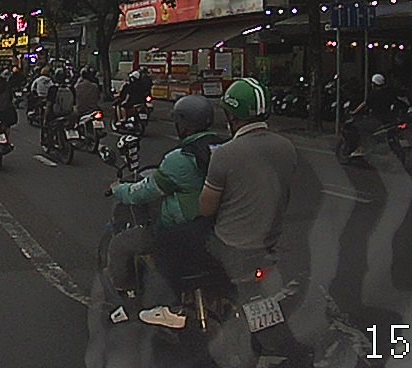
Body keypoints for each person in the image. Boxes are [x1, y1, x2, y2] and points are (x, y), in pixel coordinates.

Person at [109, 96, 226, 323]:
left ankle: (131, 299)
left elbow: (143, 192)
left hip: (183, 231)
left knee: (121, 244)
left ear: (183, 123)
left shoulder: (179, 159)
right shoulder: (223, 149)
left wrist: (118, 189)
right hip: (218, 226)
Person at [195, 78, 298, 321]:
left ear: (232, 116)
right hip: (269, 241)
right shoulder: (287, 147)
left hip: (230, 245)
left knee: (179, 247)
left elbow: (206, 208)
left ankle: (189, 311)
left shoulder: (225, 154)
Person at [344, 73, 397, 158]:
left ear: (373, 84)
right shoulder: (388, 93)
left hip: (376, 119)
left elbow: (364, 104)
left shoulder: (374, 94)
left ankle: (362, 148)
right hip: (388, 119)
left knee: (358, 127)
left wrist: (354, 112)